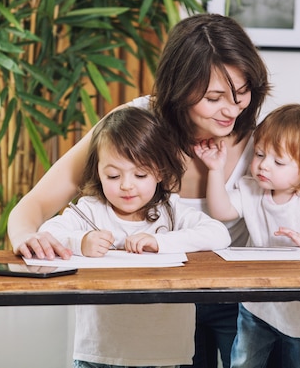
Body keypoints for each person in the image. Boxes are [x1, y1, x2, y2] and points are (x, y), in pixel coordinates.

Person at [8, 13, 271, 368]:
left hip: (235, 302)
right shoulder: (134, 127)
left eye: (242, 93)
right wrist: (26, 236)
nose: (232, 110)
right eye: (213, 98)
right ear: (179, 89)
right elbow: (38, 201)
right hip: (157, 307)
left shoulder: (261, 140)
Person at [38, 107, 231, 367]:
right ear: (98, 171)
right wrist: (81, 242)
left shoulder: (171, 212)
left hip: (166, 353)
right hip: (99, 352)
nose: (127, 185)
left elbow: (219, 234)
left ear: (160, 172)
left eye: (140, 175)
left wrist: (161, 243)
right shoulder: (90, 212)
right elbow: (46, 233)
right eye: (113, 176)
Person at [194, 103, 300, 368]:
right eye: (260, 154)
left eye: (278, 161)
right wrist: (215, 170)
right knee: (242, 363)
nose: (264, 165)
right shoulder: (253, 191)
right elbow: (221, 210)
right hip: (258, 304)